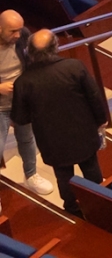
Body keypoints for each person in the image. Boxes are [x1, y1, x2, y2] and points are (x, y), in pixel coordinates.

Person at [11, 29, 107, 216]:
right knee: (91, 169)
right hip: (83, 133)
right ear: (55, 47)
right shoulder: (74, 66)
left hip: (52, 142)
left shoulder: (23, 82)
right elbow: (94, 97)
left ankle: (73, 211)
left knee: (64, 177)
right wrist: (101, 120)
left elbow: (21, 118)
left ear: (30, 52)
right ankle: (100, 206)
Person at [0, 11, 55, 196]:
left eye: (19, 29)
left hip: (21, 101)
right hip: (0, 106)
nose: (18, 35)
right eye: (12, 31)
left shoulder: (22, 35)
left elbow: (33, 61)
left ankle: (31, 175)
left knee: (27, 139)